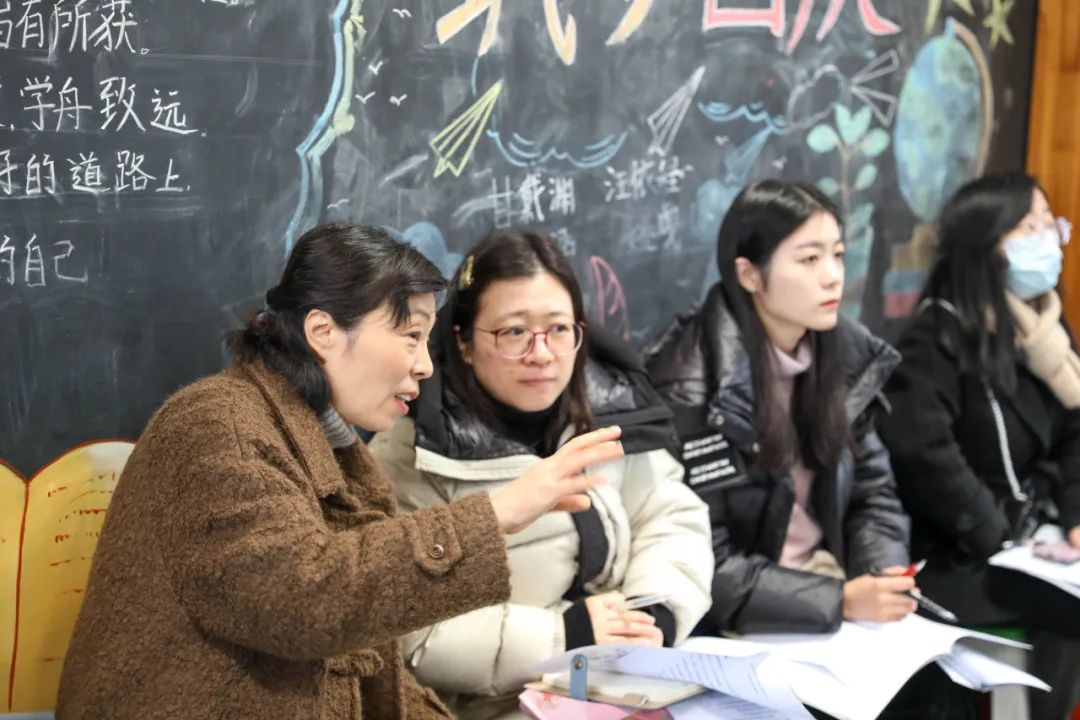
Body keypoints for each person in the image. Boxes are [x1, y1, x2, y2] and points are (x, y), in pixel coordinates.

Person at [56, 224, 623, 720]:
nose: (425, 365)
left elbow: (377, 672)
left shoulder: (341, 455)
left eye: (426, 340)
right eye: (410, 336)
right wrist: (495, 515)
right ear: (323, 332)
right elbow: (301, 600)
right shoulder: (215, 424)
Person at [646, 180, 969, 718]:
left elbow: (873, 491)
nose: (833, 275)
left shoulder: (842, 354)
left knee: (941, 691)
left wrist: (881, 575)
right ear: (750, 274)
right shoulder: (694, 384)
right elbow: (703, 563)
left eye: (838, 255)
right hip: (736, 626)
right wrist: (839, 600)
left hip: (829, 597)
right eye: (809, 259)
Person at [370, 230, 713, 720]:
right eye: (514, 333)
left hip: (625, 683)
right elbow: (408, 627)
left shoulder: (611, 404)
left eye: (559, 329)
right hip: (499, 704)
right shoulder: (413, 452)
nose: (542, 353)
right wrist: (565, 636)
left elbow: (670, 514)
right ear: (463, 342)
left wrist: (652, 612)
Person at [877, 172, 1080, 719]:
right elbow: (925, 455)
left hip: (1033, 537)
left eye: (1050, 223)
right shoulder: (936, 336)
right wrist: (996, 534)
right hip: (957, 550)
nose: (1049, 239)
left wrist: (1076, 517)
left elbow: (1075, 432)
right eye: (1030, 227)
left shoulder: (1042, 330)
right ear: (987, 244)